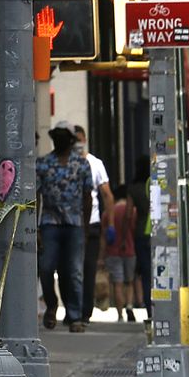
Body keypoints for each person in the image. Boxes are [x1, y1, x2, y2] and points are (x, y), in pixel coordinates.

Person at [36, 123, 92, 331]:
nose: (59, 140)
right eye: (56, 136)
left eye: (63, 136)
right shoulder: (43, 164)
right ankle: (52, 304)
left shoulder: (81, 164)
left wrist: (85, 228)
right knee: (46, 267)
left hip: (74, 223)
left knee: (74, 271)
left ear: (71, 140)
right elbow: (37, 196)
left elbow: (87, 197)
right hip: (50, 223)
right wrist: (36, 228)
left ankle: (74, 315)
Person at [70, 123, 115, 322]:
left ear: (85, 140)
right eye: (74, 141)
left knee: (88, 268)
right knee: (70, 268)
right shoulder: (63, 164)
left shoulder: (95, 164)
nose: (77, 145)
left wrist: (111, 224)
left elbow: (106, 194)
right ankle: (73, 309)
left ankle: (84, 311)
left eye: (79, 140)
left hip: (92, 224)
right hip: (70, 223)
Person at [104, 184, 139, 321]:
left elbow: (103, 236)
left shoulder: (108, 213)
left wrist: (101, 257)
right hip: (130, 250)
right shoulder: (134, 211)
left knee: (117, 284)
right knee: (129, 281)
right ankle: (129, 305)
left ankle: (120, 315)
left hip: (113, 252)